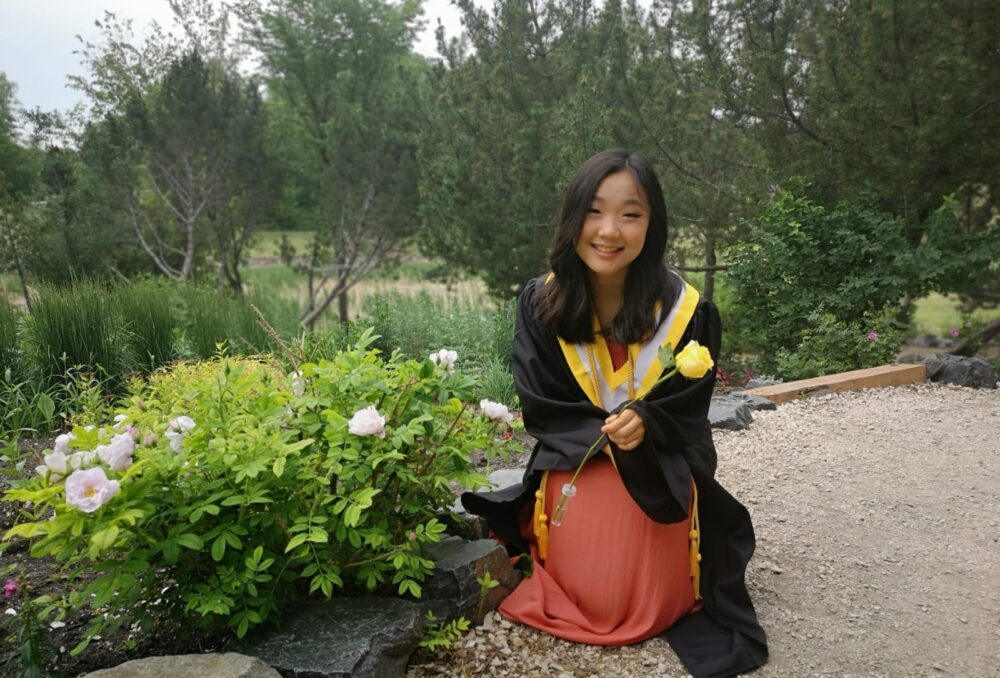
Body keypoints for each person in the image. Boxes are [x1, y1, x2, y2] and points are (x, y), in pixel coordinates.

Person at [461, 149, 768, 678]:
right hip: (576, 454)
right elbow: (541, 403)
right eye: (595, 211)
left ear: (653, 224)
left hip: (661, 460)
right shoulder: (542, 303)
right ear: (573, 217)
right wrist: (607, 436)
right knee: (602, 575)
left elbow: (689, 409)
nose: (609, 231)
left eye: (631, 213)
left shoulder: (686, 311)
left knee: (639, 536)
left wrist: (648, 423)